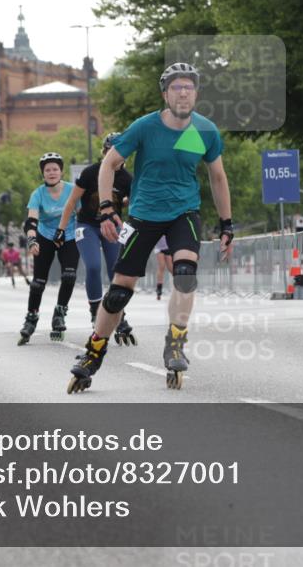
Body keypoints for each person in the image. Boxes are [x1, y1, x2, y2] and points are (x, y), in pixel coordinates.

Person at [68, 62, 233, 393]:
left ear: (196, 93)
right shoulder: (145, 127)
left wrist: (227, 223)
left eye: (189, 86)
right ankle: (93, 352)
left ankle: (175, 342)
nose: (183, 92)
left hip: (183, 212)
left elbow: (217, 177)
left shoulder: (204, 130)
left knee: (185, 274)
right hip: (143, 215)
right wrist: (105, 208)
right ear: (165, 94)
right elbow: (108, 165)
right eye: (176, 87)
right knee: (118, 294)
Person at [55, 132, 136, 343]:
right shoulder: (91, 173)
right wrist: (61, 230)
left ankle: (120, 316)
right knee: (92, 266)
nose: (115, 155)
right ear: (105, 151)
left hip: (111, 227)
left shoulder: (127, 178)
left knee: (116, 271)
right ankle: (94, 311)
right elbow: (72, 201)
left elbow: (134, 203)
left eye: (120, 151)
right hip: (87, 225)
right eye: (111, 151)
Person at [17, 152, 80, 345]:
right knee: (38, 282)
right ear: (43, 174)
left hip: (68, 235)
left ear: (61, 171)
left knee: (69, 275)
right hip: (45, 236)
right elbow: (31, 222)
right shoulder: (38, 194)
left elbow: (84, 214)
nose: (52, 172)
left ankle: (59, 313)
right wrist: (32, 242)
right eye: (47, 170)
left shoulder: (73, 189)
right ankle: (31, 318)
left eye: (55, 169)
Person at [153, 236, 174, 300]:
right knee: (161, 266)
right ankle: (159, 289)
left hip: (168, 246)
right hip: (159, 248)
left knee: (171, 268)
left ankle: (178, 285)